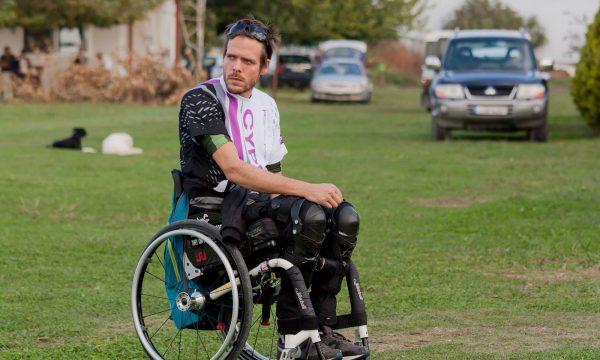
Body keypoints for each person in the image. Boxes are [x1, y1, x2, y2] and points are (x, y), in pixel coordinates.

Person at [178, 18, 367, 360]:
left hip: (258, 203)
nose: (236, 67)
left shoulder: (267, 106)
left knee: (343, 217)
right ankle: (294, 336)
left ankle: (322, 328)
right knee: (308, 212)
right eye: (231, 57)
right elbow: (234, 170)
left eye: (247, 61)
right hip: (219, 210)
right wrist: (306, 192)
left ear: (265, 65)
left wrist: (302, 200)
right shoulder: (200, 100)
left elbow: (275, 175)